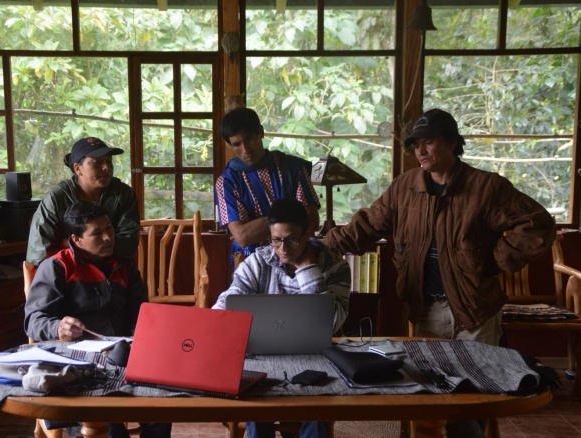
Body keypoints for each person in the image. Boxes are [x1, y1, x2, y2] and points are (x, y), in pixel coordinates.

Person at [324, 108, 556, 438]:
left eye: (428, 142)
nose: (420, 151)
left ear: (451, 143)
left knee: (472, 394)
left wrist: (497, 259)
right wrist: (321, 247)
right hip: (424, 309)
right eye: (416, 144)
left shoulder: (485, 187)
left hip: (473, 309)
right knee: (433, 390)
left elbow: (538, 224)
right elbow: (366, 225)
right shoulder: (405, 187)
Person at [24, 201, 170, 438]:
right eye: (97, 233)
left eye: (109, 228)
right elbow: (34, 320)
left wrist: (140, 340)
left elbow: (140, 315)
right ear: (77, 239)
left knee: (161, 409)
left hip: (123, 354)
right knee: (112, 431)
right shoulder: (57, 267)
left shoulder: (124, 266)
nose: (108, 237)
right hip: (79, 363)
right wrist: (58, 327)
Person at [213, 197, 350, 438]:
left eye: (291, 239)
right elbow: (226, 306)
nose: (283, 248)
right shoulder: (258, 261)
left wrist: (308, 271)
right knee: (256, 404)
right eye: (276, 240)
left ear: (308, 233)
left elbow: (332, 321)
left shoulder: (334, 265)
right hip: (263, 355)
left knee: (319, 410)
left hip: (317, 358)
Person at [215, 107, 321, 267]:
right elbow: (242, 237)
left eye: (249, 139)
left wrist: (258, 226)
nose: (245, 149)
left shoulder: (294, 169)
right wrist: (292, 216)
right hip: (250, 264)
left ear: (261, 132)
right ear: (229, 145)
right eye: (237, 144)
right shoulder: (226, 182)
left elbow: (312, 222)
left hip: (296, 260)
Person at [26, 136, 140, 267]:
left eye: (109, 162)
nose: (106, 168)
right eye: (97, 162)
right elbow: (39, 253)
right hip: (69, 274)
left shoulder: (123, 194)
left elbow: (128, 243)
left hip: (112, 272)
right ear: (77, 168)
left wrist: (68, 243)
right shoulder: (56, 199)